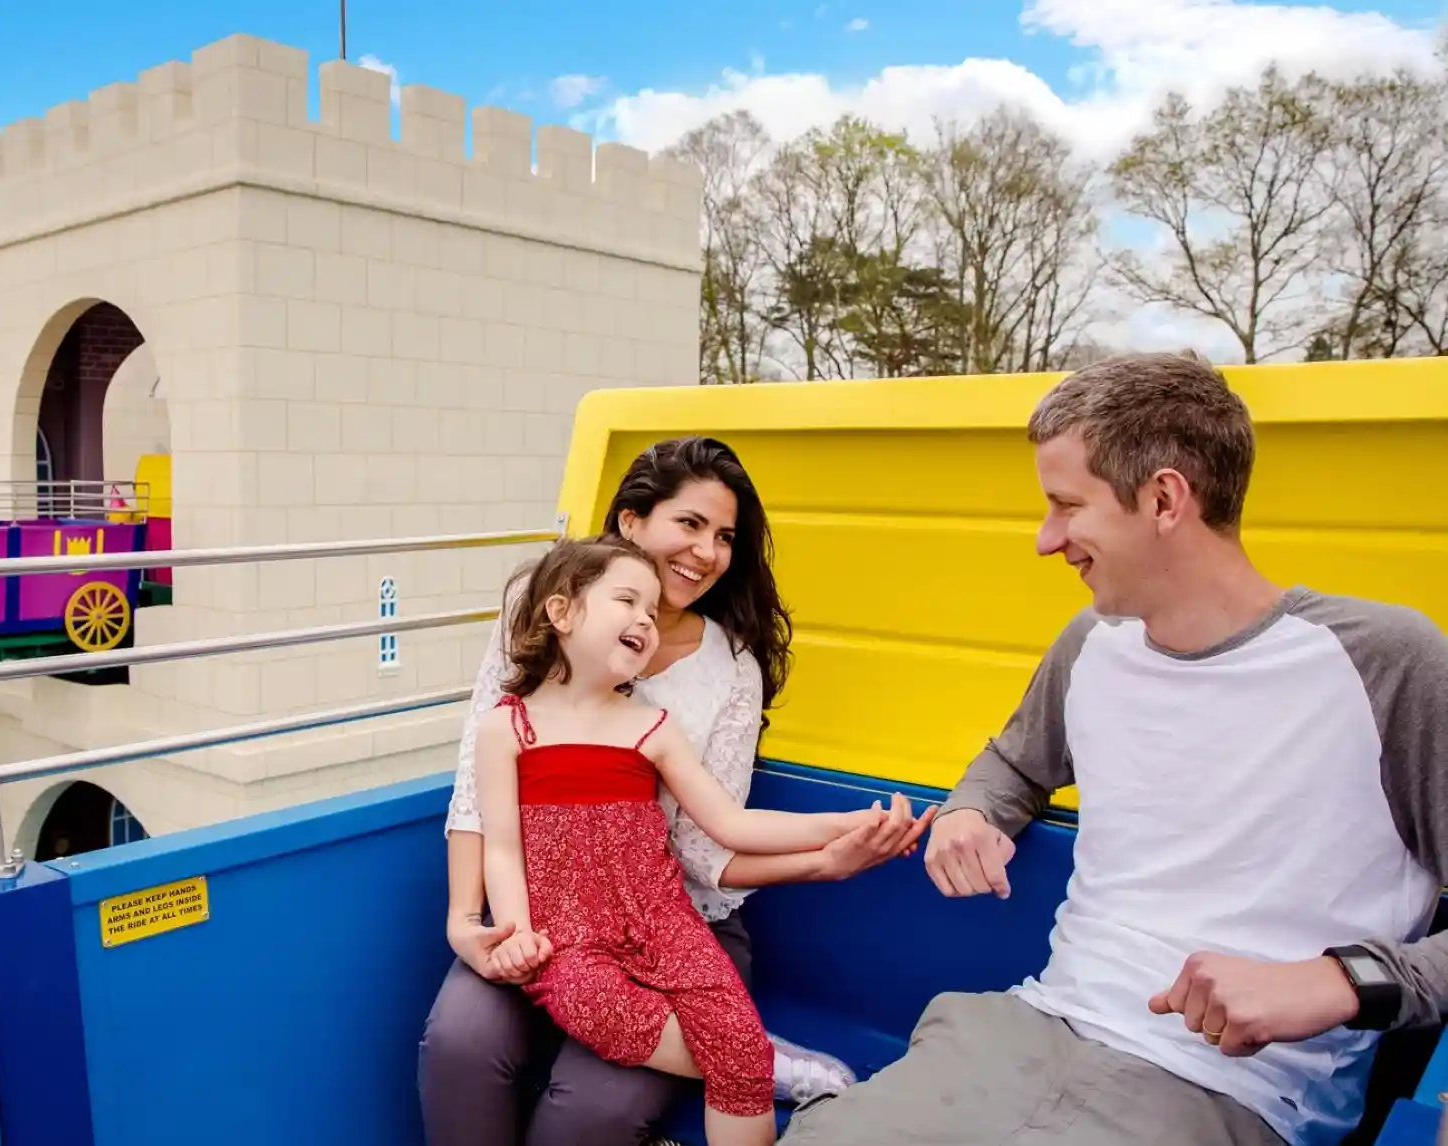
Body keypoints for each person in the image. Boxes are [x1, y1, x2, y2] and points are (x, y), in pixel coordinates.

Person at [781, 352, 1448, 1146]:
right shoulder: (1093, 642)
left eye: (1067, 506)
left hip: (1228, 1089)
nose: (1046, 540)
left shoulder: (1387, 664)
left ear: (1164, 499)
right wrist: (970, 811)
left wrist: (1341, 980)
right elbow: (1014, 762)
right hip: (1025, 1028)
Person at [420, 436, 931, 1146]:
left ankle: (748, 1055)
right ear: (630, 521)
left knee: (590, 1110)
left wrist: (834, 842)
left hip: (668, 915)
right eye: (689, 523)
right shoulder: (524, 666)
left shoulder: (679, 704)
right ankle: (753, 1055)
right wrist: (477, 922)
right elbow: (484, 809)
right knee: (461, 1046)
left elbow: (716, 836)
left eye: (724, 536)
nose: (707, 552)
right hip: (553, 921)